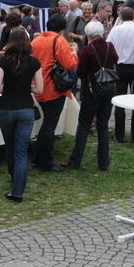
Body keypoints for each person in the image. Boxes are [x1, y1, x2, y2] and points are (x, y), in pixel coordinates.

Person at [0, 27, 43, 202]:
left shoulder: (3, 61)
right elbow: (40, 88)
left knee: (10, 146)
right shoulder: (34, 62)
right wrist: (26, 88)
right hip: (26, 108)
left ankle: (14, 177)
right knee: (21, 151)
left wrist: (10, 88)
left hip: (6, 108)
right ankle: (18, 191)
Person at [65, 21, 116, 171]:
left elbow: (80, 73)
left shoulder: (87, 50)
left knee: (84, 125)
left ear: (89, 35)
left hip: (91, 91)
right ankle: (104, 162)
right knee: (103, 125)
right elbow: (115, 60)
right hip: (108, 90)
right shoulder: (110, 46)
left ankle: (76, 160)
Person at [30, 13, 78, 171]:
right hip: (53, 88)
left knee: (47, 123)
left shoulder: (36, 40)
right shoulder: (59, 40)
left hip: (38, 86)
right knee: (49, 125)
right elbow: (70, 64)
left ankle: (38, 157)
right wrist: (74, 52)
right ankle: (46, 162)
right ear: (62, 28)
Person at [107, 6, 134, 143]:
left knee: (119, 101)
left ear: (121, 17)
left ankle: (119, 135)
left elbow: (109, 47)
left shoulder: (115, 30)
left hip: (120, 67)